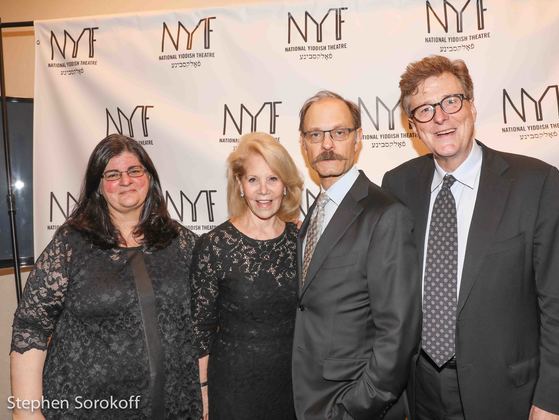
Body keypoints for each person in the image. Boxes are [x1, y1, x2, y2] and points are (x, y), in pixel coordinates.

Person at [381, 55, 559, 420]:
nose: (440, 117)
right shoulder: (397, 185)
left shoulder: (535, 183)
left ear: (472, 106)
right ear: (413, 126)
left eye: (450, 101)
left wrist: (554, 402)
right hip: (418, 392)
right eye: (424, 110)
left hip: (508, 396)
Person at [10, 134, 201, 419]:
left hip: (173, 407)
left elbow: (213, 308)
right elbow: (30, 328)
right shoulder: (71, 244)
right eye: (112, 174)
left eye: (134, 170)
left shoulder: (180, 241)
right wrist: (26, 413)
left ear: (149, 178)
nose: (126, 180)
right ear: (98, 187)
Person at [292, 90, 420, 420]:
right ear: (304, 144)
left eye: (339, 132)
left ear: (357, 139)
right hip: (312, 399)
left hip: (356, 406)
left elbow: (399, 331)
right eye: (315, 135)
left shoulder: (385, 214)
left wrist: (356, 408)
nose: (327, 144)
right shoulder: (315, 212)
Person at [191, 132, 303, 420]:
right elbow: (200, 329)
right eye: (253, 179)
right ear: (240, 185)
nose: (263, 190)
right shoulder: (214, 245)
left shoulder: (301, 240)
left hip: (294, 385)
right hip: (234, 389)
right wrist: (203, 390)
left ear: (285, 186)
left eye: (273, 179)